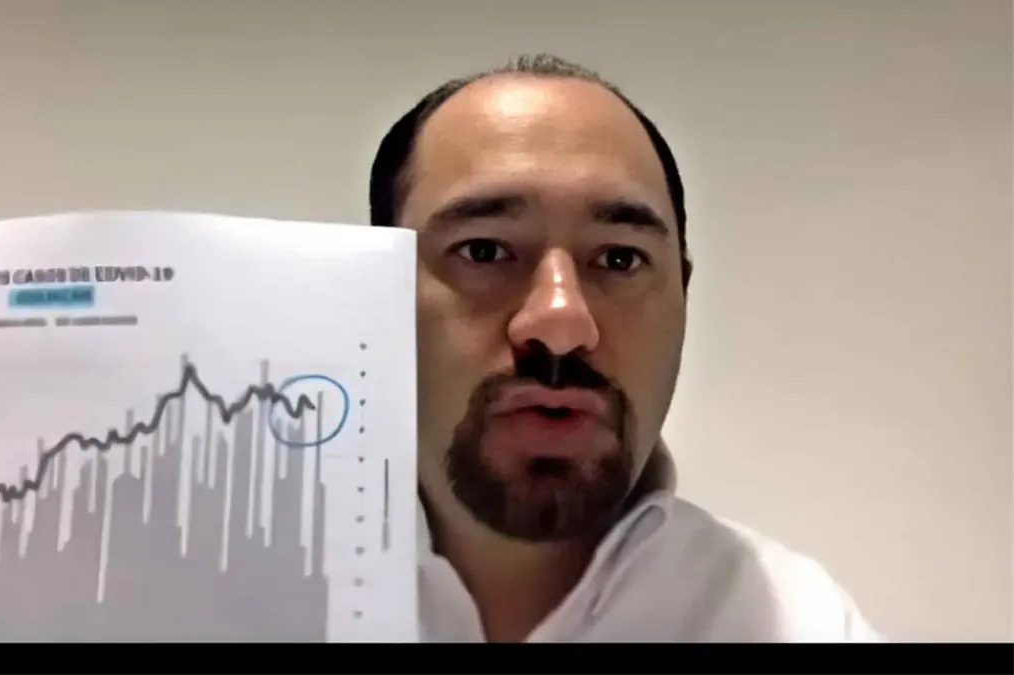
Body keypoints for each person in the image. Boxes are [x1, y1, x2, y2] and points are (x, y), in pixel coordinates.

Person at [368, 53, 882, 643]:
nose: (561, 323)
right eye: (483, 251)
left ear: (682, 297)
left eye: (619, 258)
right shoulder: (276, 593)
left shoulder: (795, 621)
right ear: (374, 289)